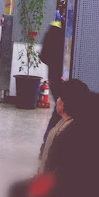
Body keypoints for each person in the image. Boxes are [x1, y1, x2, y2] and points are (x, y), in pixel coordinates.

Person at [38, 20, 65, 157]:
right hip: (61, 78)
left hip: (55, 77)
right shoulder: (60, 29)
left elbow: (44, 56)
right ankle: (47, 148)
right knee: (60, 113)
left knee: (59, 112)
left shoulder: (56, 27)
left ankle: (47, 147)